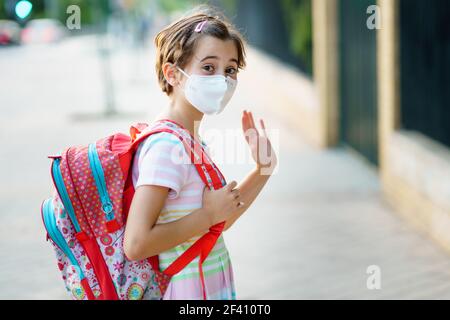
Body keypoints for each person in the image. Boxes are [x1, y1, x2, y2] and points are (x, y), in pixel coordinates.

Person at [123, 7, 278, 300]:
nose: (222, 79)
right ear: (173, 74)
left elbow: (217, 224)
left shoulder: (189, 139)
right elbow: (136, 243)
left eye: (230, 70)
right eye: (208, 67)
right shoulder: (167, 147)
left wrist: (263, 169)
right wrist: (208, 213)